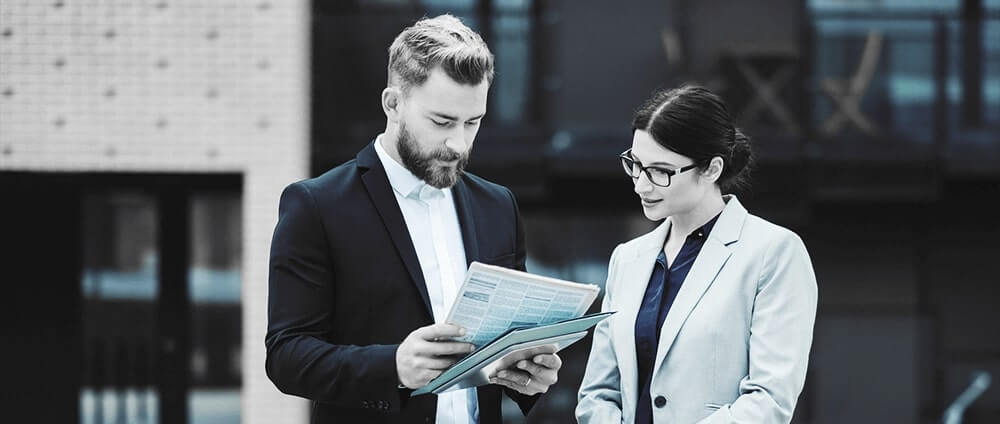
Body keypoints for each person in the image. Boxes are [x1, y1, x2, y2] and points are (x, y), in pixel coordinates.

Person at [265, 14, 562, 424]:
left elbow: (507, 346)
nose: (458, 143)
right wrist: (394, 367)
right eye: (441, 122)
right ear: (393, 104)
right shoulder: (316, 205)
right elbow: (286, 356)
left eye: (472, 123)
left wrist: (528, 377)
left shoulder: (499, 206)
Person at [576, 85, 817, 423]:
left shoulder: (773, 252)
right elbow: (597, 394)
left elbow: (769, 400)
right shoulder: (627, 259)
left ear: (711, 169)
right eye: (635, 164)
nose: (641, 185)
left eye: (660, 171)